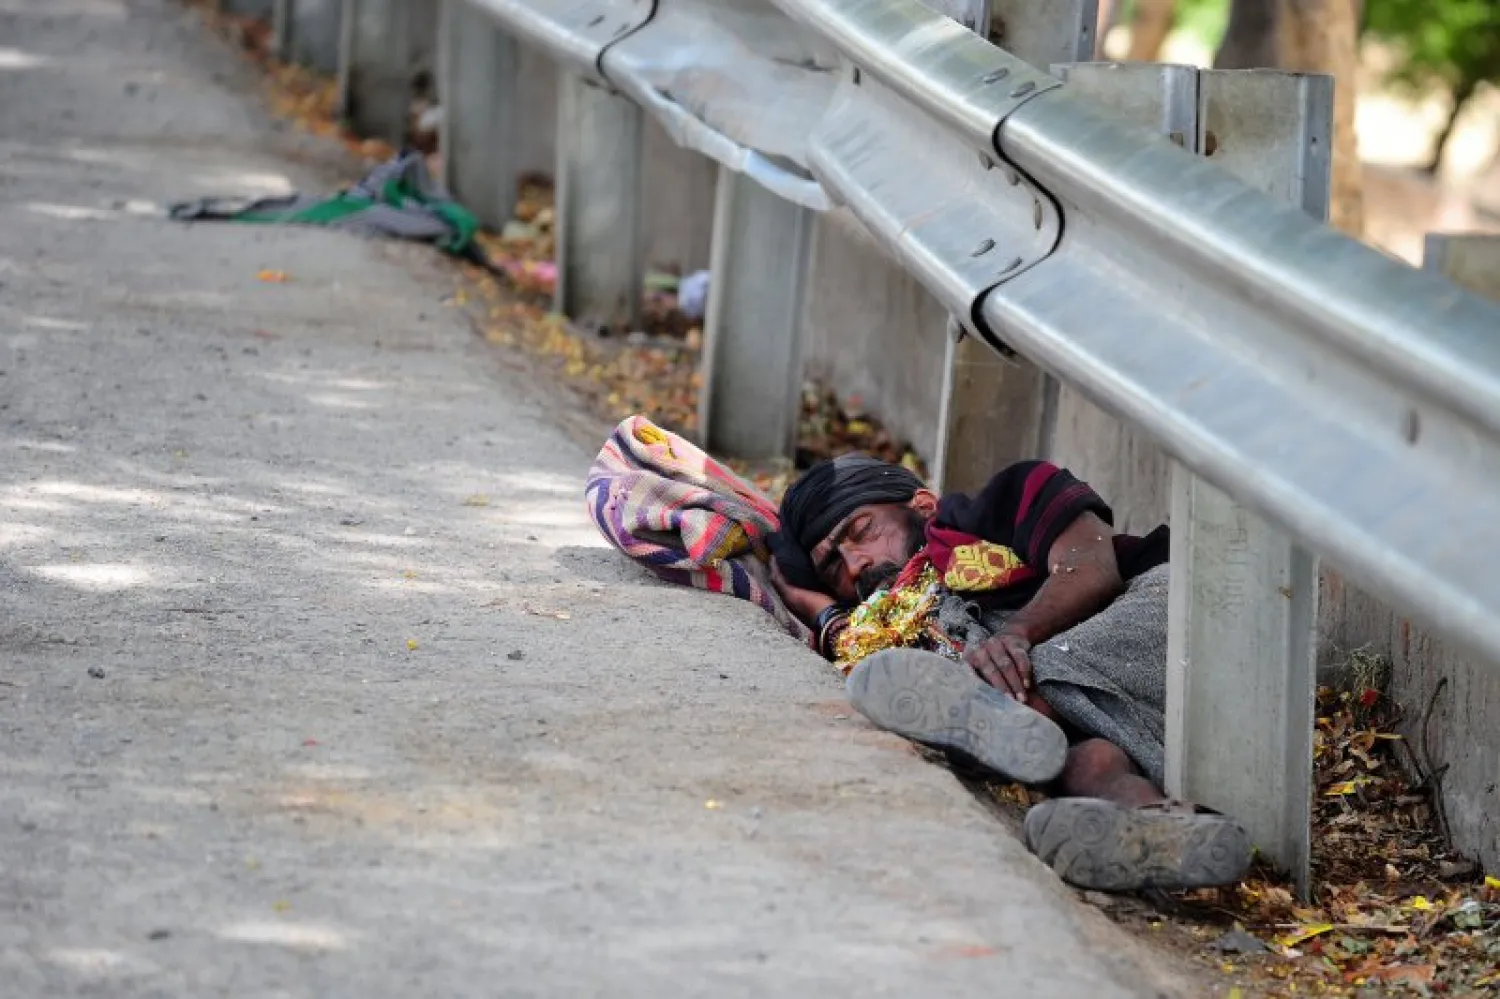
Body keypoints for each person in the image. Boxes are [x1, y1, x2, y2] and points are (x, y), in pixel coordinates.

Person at [768, 453, 1251, 892]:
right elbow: (862, 643)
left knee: (991, 671)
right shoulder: (886, 625)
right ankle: (1161, 831)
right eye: (833, 566)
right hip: (1100, 711)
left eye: (861, 531)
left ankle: (1010, 713)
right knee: (1089, 762)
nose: (856, 564)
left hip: (1172, 627)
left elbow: (1089, 566)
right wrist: (823, 614)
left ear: (921, 504)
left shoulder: (1006, 498)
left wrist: (1018, 635)